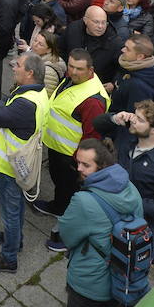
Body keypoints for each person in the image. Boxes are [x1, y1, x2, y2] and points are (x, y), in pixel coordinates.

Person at [56, 138, 145, 307]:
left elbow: (67, 235)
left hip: (89, 282)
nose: (79, 168)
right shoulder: (131, 189)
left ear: (102, 166)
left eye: (86, 165)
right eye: (78, 162)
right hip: (121, 278)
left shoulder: (84, 201)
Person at [0, 51, 50, 273]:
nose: (13, 66)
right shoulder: (38, 94)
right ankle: (14, 240)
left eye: (17, 64)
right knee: (16, 206)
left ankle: (8, 258)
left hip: (9, 166)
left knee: (10, 211)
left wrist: (1, 103)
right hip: (19, 164)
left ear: (29, 73)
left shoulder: (24, 104)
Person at [94, 100, 154, 264]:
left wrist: (130, 202)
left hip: (134, 225)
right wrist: (115, 118)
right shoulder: (130, 135)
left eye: (140, 120)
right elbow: (97, 124)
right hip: (112, 215)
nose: (133, 120)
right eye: (135, 116)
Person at [33, 49, 109, 249]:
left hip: (72, 155)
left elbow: (92, 136)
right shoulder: (72, 79)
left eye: (79, 69)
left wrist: (80, 161)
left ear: (90, 70)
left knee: (72, 192)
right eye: (71, 66)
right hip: (58, 147)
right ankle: (58, 206)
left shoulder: (93, 100)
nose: (73, 72)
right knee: (60, 183)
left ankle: (68, 233)